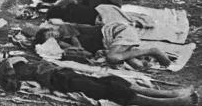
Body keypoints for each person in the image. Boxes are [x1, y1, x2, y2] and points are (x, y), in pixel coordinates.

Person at [0, 47, 197, 106]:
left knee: (112, 81)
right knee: (110, 92)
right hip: (57, 81)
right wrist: (11, 67)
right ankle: (171, 103)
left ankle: (170, 93)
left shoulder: (5, 57)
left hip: (58, 72)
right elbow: (11, 88)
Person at [35, 21, 171, 70]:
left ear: (53, 29)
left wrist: (61, 44)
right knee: (137, 65)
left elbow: (78, 48)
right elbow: (86, 54)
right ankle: (145, 56)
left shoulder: (64, 28)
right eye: (50, 40)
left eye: (52, 34)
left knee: (112, 58)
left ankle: (153, 51)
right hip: (111, 42)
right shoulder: (61, 42)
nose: (55, 38)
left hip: (115, 32)